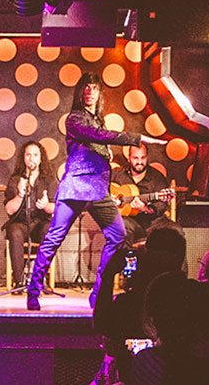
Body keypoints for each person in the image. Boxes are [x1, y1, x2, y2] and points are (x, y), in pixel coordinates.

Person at [26, 72, 165, 310]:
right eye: (86, 87)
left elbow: (97, 138)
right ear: (80, 92)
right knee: (54, 238)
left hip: (99, 190)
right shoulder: (75, 118)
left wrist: (104, 153)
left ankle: (99, 293)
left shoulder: (98, 120)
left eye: (94, 87)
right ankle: (33, 292)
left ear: (100, 93)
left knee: (118, 235)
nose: (90, 91)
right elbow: (96, 136)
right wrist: (137, 138)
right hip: (76, 187)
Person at [2, 139, 55, 290]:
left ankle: (41, 279)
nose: (32, 159)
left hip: (41, 222)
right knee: (14, 232)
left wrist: (46, 206)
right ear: (23, 158)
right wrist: (20, 194)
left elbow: (56, 208)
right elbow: (9, 210)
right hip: (20, 222)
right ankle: (19, 281)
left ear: (41, 159)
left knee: (49, 230)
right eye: (28, 155)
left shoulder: (49, 180)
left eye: (35, 155)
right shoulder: (15, 179)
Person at [112, 145, 172, 243]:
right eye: (135, 158)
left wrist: (145, 208)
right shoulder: (117, 174)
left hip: (151, 223)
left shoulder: (157, 177)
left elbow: (161, 205)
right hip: (127, 222)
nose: (139, 162)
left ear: (147, 157)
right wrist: (110, 198)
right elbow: (100, 186)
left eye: (143, 158)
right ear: (129, 158)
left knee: (176, 230)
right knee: (122, 225)